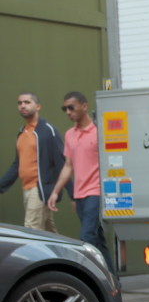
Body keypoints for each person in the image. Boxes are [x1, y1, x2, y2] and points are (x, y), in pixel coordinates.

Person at [47, 91, 113, 269]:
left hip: (96, 192)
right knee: (98, 239)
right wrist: (55, 192)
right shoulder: (69, 134)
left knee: (87, 238)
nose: (68, 112)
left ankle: (89, 278)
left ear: (84, 106)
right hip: (79, 195)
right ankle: (114, 282)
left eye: (71, 107)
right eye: (65, 108)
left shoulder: (99, 132)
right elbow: (68, 166)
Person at [0, 92, 64, 232]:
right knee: (48, 232)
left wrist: (67, 193)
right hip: (27, 189)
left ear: (38, 106)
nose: (23, 105)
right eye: (20, 103)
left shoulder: (47, 131)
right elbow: (17, 165)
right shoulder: (22, 133)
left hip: (40, 188)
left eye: (27, 102)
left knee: (31, 229)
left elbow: (61, 163)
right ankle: (61, 253)